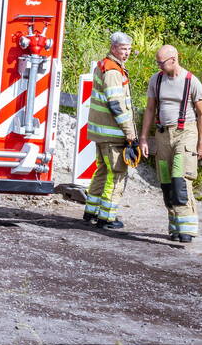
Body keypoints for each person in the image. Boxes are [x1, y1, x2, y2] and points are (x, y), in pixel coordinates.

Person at [140, 45, 200, 243]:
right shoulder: (156, 80)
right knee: (166, 182)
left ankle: (188, 230)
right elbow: (150, 109)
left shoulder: (192, 82)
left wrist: (201, 144)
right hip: (163, 135)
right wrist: (143, 138)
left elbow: (201, 113)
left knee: (179, 180)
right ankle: (175, 226)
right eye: (157, 62)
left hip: (186, 133)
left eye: (161, 62)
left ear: (174, 59)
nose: (159, 66)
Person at [83, 32, 138, 230]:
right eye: (124, 49)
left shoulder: (104, 65)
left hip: (103, 134)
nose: (127, 53)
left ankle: (91, 211)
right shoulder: (113, 71)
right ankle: (107, 218)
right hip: (113, 135)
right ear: (114, 48)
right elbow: (117, 105)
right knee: (116, 175)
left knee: (102, 171)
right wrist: (129, 132)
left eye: (129, 49)